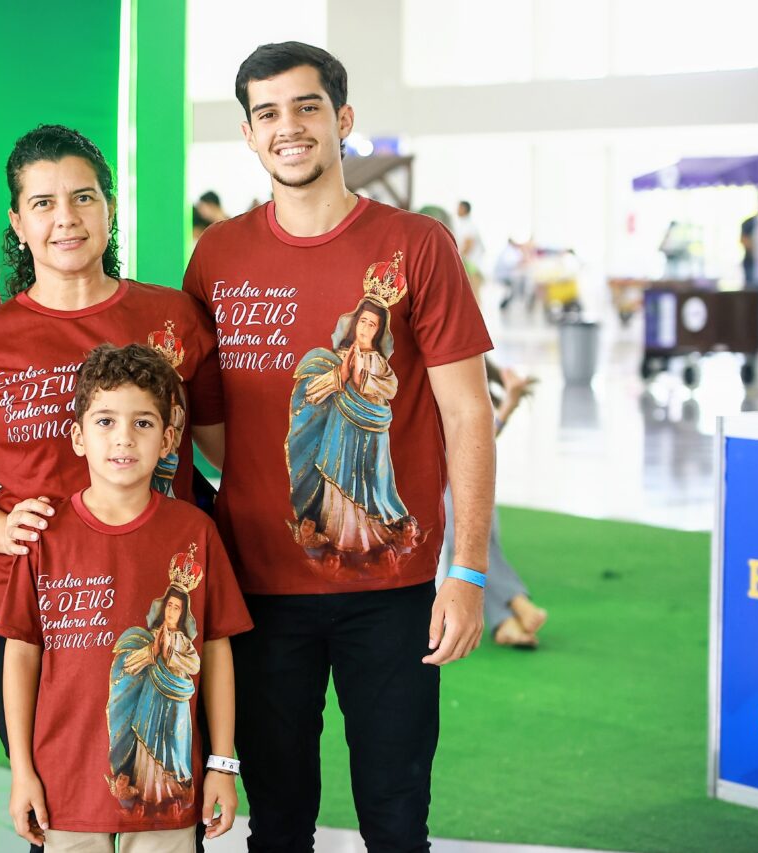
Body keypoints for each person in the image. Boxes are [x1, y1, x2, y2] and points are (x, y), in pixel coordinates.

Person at [183, 42, 496, 852]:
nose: (288, 127)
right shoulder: (216, 256)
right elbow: (211, 424)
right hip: (259, 588)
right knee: (278, 820)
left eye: (307, 107)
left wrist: (467, 572)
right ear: (249, 134)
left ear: (343, 119)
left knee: (396, 817)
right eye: (267, 113)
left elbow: (468, 414)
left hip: (390, 585)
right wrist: (296, 462)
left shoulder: (418, 244)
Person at [0, 124, 223, 760]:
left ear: (109, 207)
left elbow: (228, 453)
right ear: (18, 222)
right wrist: (5, 531)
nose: (66, 217)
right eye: (43, 203)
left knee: (163, 795)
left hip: (163, 601)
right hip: (33, 610)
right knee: (53, 803)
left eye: (84, 197)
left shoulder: (174, 319)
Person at [0, 343, 252, 852]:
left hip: (165, 792)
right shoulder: (45, 533)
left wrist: (222, 765)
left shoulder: (195, 532)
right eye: (106, 421)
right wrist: (22, 772)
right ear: (78, 436)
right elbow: (21, 653)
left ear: (168, 439)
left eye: (143, 423)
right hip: (65, 790)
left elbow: (215, 649)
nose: (124, 438)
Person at [443, 361, 547, 648]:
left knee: (473, 547)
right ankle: (508, 617)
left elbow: (477, 441)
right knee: (473, 548)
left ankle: (513, 610)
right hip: (455, 490)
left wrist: (510, 403)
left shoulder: (458, 396)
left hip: (462, 491)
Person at [454, 200, 485, 291]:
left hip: (472, 266)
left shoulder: (468, 226)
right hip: (470, 265)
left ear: (464, 209)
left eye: (459, 207)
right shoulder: (464, 224)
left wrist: (456, 259)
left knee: (474, 293)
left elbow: (468, 246)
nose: (456, 210)